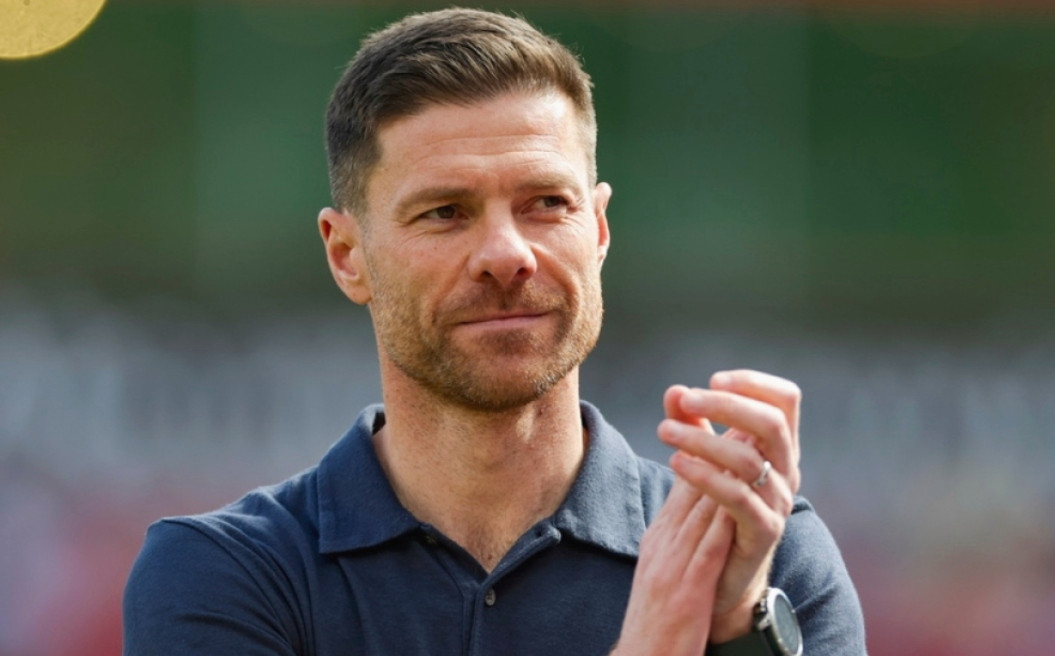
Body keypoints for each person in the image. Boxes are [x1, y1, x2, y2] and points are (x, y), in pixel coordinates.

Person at [122, 8, 866, 655]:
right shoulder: (225, 571)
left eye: (547, 203)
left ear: (599, 230)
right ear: (348, 256)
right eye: (445, 212)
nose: (508, 255)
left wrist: (736, 632)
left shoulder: (766, 555)